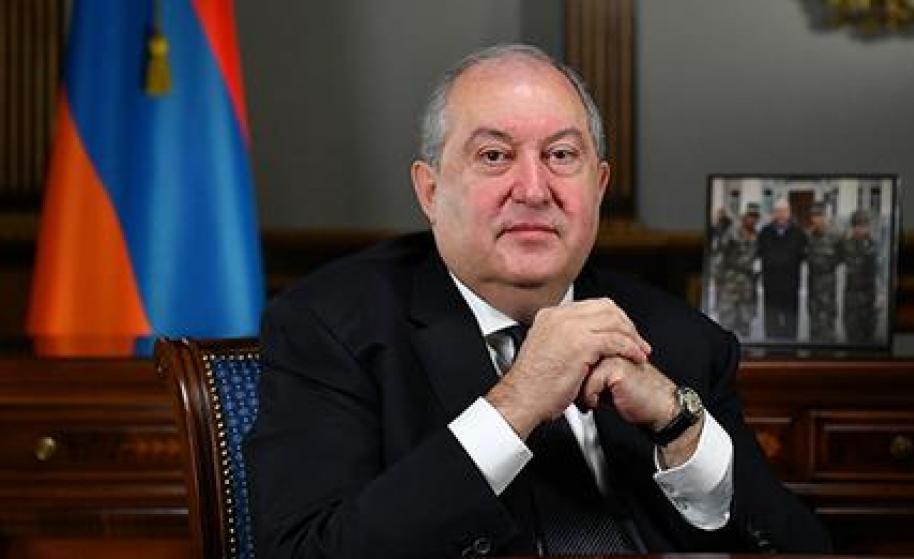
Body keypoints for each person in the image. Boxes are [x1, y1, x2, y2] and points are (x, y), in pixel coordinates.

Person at [245, 44, 830, 557]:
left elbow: (799, 548)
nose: (533, 189)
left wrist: (681, 426)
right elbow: (307, 551)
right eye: (494, 156)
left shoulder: (679, 338)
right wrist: (517, 402)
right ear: (430, 190)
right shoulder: (331, 327)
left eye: (561, 155)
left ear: (598, 187)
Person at [757, 198, 808, 340]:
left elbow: (803, 255)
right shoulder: (765, 232)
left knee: (791, 321)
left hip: (790, 285)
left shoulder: (798, 233)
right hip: (771, 284)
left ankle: (790, 348)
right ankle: (771, 348)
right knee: (771, 320)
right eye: (778, 211)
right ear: (774, 213)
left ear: (789, 213)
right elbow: (760, 252)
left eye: (784, 211)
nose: (781, 214)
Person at [715, 203, 760, 337]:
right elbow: (719, 257)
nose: (752, 219)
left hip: (747, 287)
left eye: (755, 216)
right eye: (750, 216)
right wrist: (718, 282)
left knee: (746, 323)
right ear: (744, 216)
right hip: (730, 284)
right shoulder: (732, 232)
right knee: (726, 323)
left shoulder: (757, 235)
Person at [805, 202, 841, 343]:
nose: (816, 219)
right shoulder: (808, 236)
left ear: (825, 216)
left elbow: (842, 256)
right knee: (813, 322)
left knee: (828, 323)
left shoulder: (836, 236)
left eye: (819, 215)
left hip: (828, 287)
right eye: (814, 216)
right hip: (813, 286)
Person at [841, 209, 879, 343]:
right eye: (857, 226)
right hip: (851, 300)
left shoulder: (874, 245)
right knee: (852, 336)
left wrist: (881, 294)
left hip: (870, 298)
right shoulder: (846, 244)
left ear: (868, 227)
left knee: (869, 336)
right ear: (853, 227)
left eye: (864, 226)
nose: (861, 229)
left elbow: (880, 271)